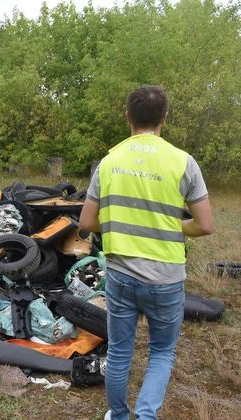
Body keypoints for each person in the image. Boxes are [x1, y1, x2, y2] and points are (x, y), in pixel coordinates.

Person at [79, 85, 213, 420]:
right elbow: (205, 224)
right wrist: (170, 226)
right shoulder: (183, 162)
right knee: (162, 352)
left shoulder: (109, 163)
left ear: (128, 117)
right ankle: (147, 416)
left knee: (121, 352)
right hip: (166, 279)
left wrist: (121, 224)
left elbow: (87, 222)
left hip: (121, 275)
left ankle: (119, 416)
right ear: (164, 119)